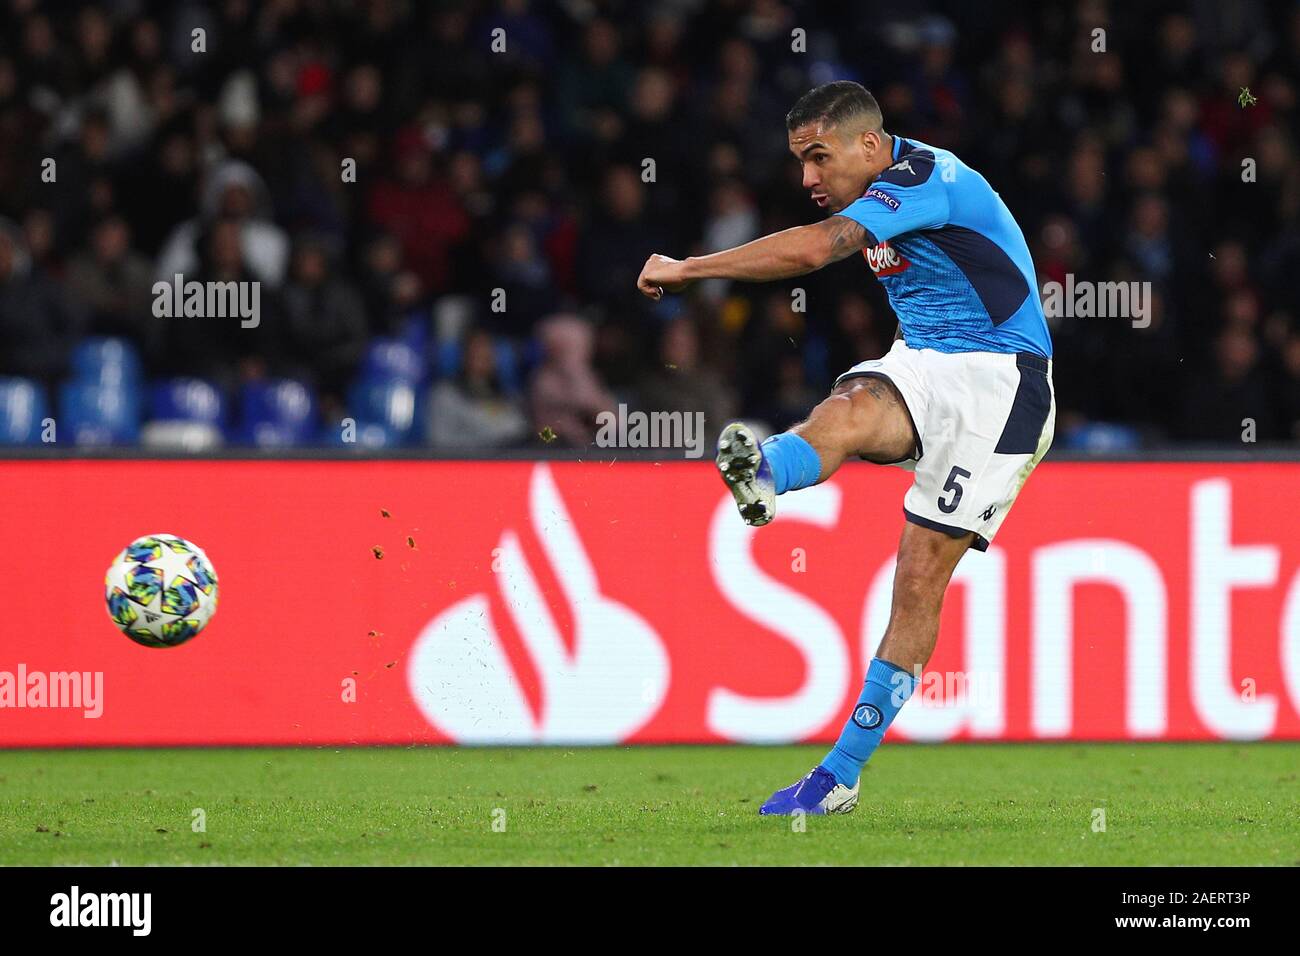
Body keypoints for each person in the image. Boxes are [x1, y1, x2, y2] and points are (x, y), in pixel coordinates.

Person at [636, 81, 1055, 815]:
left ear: (869, 144)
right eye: (800, 162)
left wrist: (688, 268)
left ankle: (840, 775)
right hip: (924, 359)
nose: (807, 179)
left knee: (920, 576)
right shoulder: (876, 193)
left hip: (1003, 383)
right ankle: (765, 473)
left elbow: (815, 253)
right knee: (851, 407)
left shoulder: (922, 178)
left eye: (818, 158)